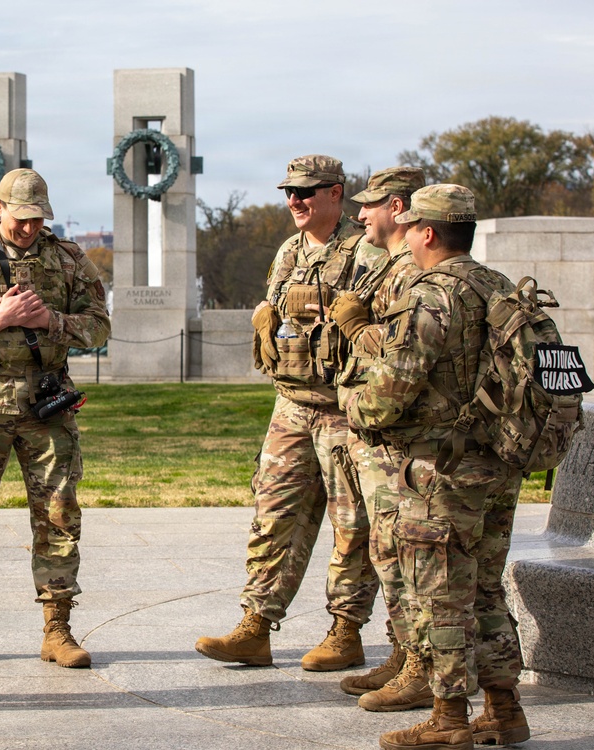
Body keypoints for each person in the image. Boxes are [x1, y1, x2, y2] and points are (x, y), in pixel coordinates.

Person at [337, 184, 530, 750]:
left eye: (412, 227)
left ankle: (448, 718)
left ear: (426, 232)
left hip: (441, 472)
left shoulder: (430, 295)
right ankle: (503, 709)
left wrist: (354, 405)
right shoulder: (498, 285)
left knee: (440, 596)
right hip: (497, 464)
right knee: (487, 591)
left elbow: (391, 391)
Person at [195, 155, 385, 671]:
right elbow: (278, 312)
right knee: (272, 516)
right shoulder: (289, 251)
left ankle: (346, 631)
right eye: (289, 193)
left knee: (353, 526)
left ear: (336, 193)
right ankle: (255, 627)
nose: (295, 202)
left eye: (306, 192)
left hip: (345, 411)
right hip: (291, 407)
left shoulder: (368, 249)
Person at [0, 168, 110, 669]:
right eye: (21, 218)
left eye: (38, 219)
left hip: (45, 406)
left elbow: (98, 328)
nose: (29, 229)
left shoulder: (68, 259)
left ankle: (58, 629)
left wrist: (48, 320)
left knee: (58, 514)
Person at [328, 167, 436, 711]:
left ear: (398, 208)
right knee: (386, 549)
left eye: (369, 205)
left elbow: (402, 356)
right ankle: (402, 652)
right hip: (376, 432)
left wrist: (354, 328)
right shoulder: (388, 266)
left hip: (398, 434)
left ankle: (418, 664)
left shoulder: (412, 274)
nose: (360, 214)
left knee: (403, 554)